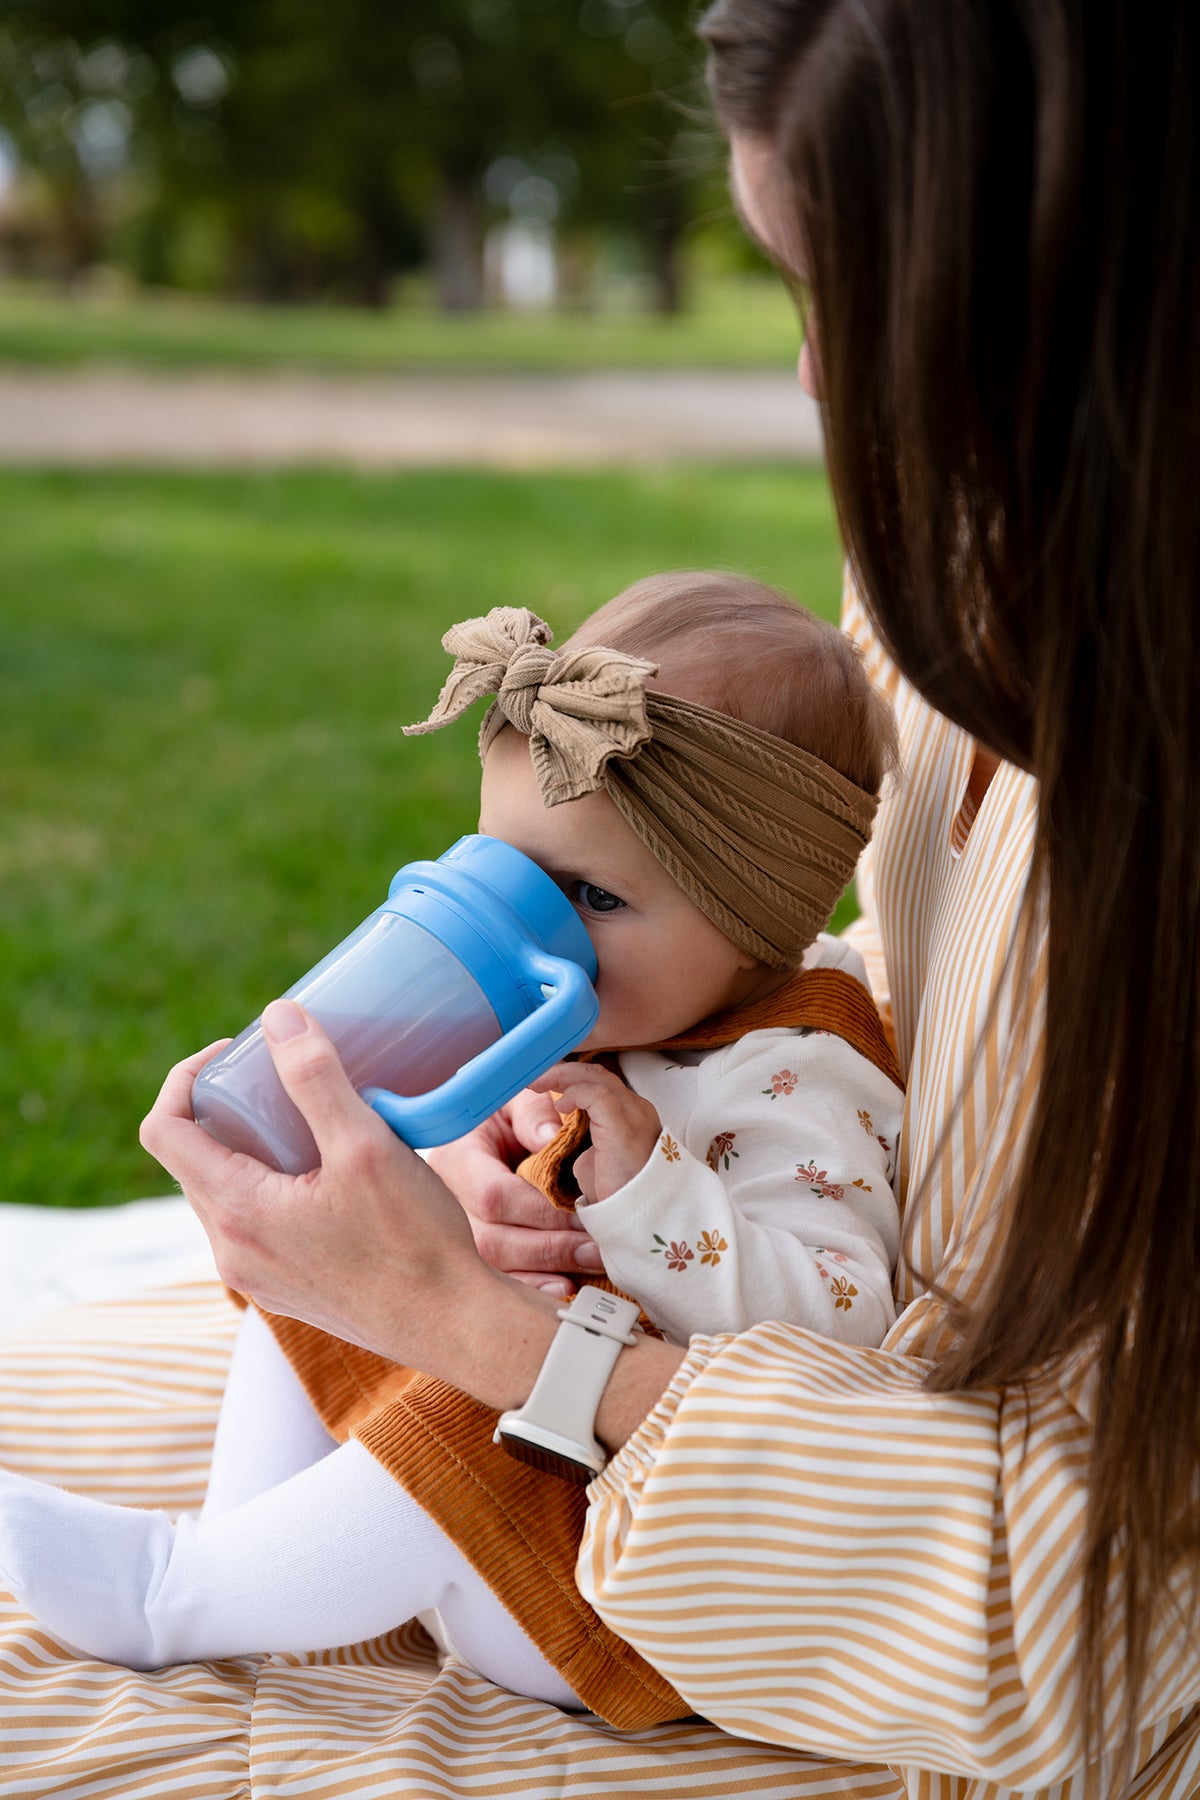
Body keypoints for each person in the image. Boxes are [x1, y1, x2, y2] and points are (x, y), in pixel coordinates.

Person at [1, 4, 1197, 1797]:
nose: (813, 375)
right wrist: (465, 1202)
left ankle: (197, 1593)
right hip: (659, 1353)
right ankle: (235, 1541)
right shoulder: (973, 595)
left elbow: (1103, 1649)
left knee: (431, 1436)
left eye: (852, 300)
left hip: (760, 1512)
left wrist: (499, 1332)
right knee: (273, 1289)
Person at [0, 571, 903, 1721]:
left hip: (618, 1579)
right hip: (530, 1505)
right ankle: (247, 1539)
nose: (531, 922)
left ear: (761, 919)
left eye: (587, 896)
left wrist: (654, 1197)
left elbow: (840, 1327)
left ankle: (179, 1596)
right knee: (324, 1268)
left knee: (472, 1407)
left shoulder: (795, 1077)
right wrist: (453, 1172)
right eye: (505, 865)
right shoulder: (640, 1003)